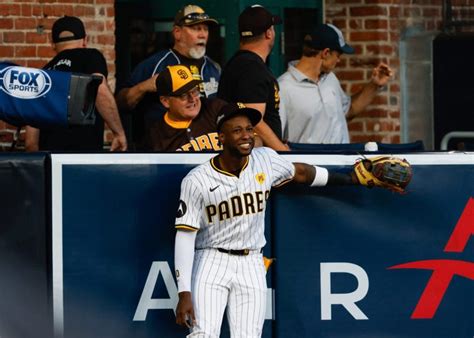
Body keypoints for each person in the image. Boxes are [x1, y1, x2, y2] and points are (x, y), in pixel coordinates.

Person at [173, 103, 360, 337]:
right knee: (203, 335)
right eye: (237, 130)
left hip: (251, 260)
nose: (246, 136)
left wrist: (349, 178)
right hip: (211, 258)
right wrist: (184, 292)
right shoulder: (197, 179)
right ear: (221, 137)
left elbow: (301, 172)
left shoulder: (265, 160)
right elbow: (185, 235)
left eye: (250, 129)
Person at [116, 4, 220, 150]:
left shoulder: (214, 68)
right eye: (196, 28)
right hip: (164, 149)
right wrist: (144, 87)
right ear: (177, 32)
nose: (202, 34)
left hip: (206, 149)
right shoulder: (157, 63)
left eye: (205, 29)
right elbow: (121, 102)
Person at [24, 16, 127, 152]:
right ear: (84, 40)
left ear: (53, 45)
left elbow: (31, 141)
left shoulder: (43, 73)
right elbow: (98, 89)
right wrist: (118, 133)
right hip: (82, 158)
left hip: (52, 159)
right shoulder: (90, 56)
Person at [278, 23, 393, 144]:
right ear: (326, 53)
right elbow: (274, 139)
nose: (339, 60)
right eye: (338, 55)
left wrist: (374, 84)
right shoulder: (283, 87)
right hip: (307, 162)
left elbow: (348, 111)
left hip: (343, 161)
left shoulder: (330, 78)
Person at [217, 5, 289, 151]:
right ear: (269, 33)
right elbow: (254, 121)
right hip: (256, 159)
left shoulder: (242, 63)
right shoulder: (251, 67)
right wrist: (283, 151)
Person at [147, 64, 226, 151]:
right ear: (166, 101)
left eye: (194, 91)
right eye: (183, 95)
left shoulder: (216, 108)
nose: (192, 99)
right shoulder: (155, 135)